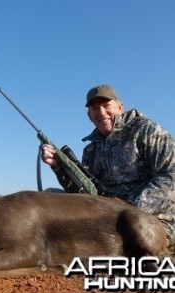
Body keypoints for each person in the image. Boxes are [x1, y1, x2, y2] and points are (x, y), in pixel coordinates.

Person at [41, 84, 175, 245]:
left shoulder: (147, 130)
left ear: (120, 107)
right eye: (95, 109)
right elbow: (82, 193)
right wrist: (58, 167)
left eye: (106, 106)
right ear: (89, 115)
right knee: (48, 196)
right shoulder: (90, 150)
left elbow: (170, 175)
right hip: (106, 218)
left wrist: (128, 212)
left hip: (151, 220)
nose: (101, 112)